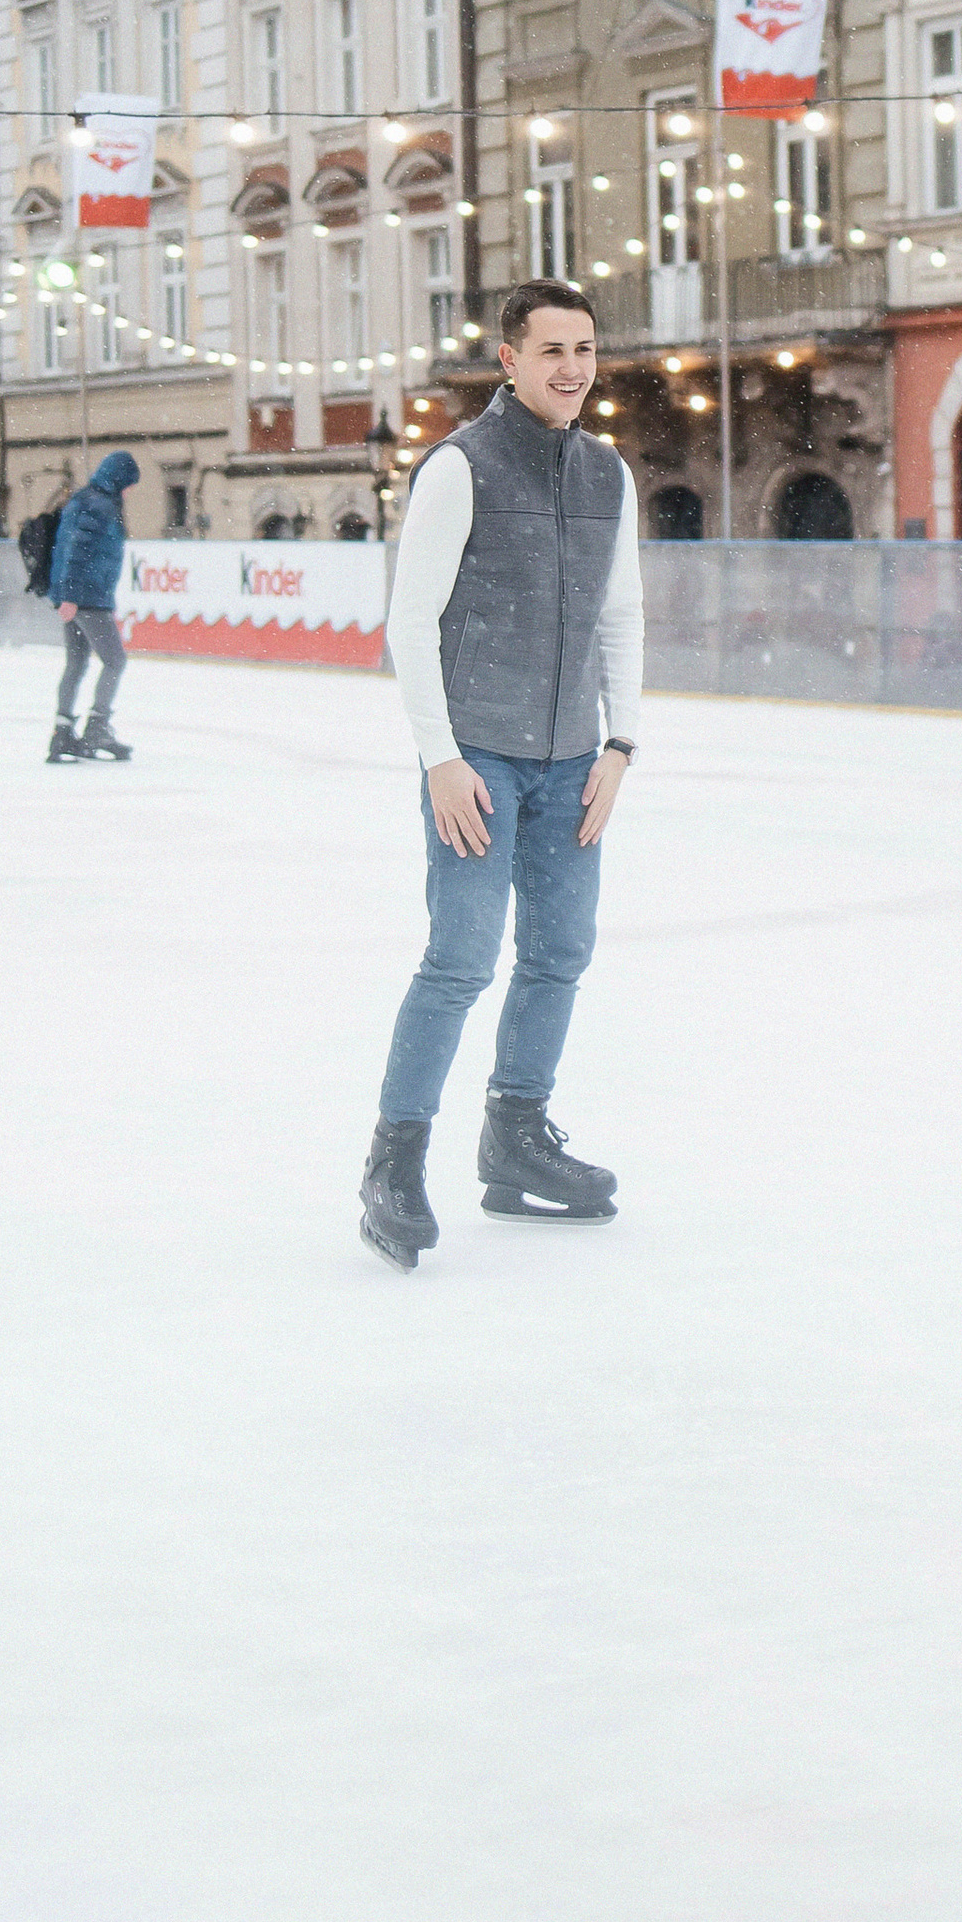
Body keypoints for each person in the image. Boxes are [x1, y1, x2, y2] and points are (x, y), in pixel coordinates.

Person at [357, 280, 643, 1272]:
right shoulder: (459, 468)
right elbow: (410, 619)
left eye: (586, 348)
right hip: (476, 755)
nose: (573, 367)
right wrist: (440, 756)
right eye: (552, 348)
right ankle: (393, 1162)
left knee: (560, 953)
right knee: (461, 960)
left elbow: (621, 618)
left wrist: (620, 746)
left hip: (573, 760)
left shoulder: (608, 474)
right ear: (509, 359)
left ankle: (515, 1135)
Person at [46, 449, 140, 763]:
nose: (130, 491)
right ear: (119, 480)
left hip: (79, 596)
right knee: (115, 661)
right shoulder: (98, 506)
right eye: (129, 484)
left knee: (77, 662)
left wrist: (64, 595)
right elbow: (76, 550)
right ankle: (97, 727)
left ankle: (62, 733)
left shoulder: (86, 500)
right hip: (87, 597)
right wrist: (72, 596)